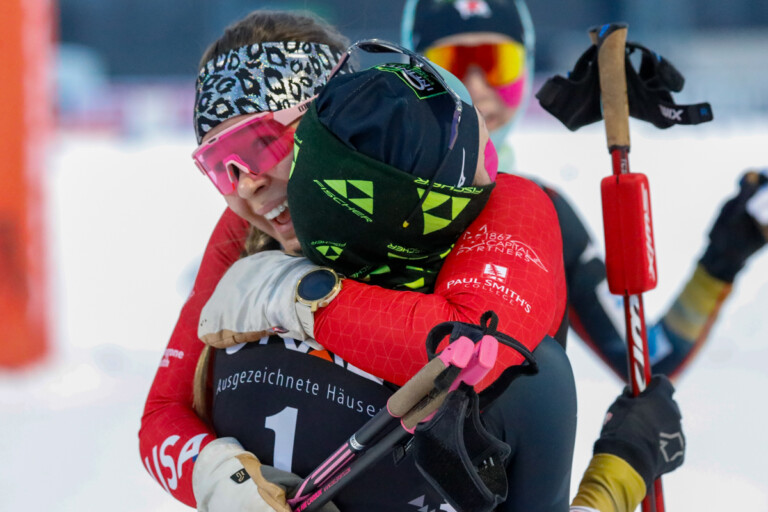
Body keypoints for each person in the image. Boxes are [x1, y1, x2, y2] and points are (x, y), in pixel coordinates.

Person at [139, 9, 683, 512]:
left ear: (338, 118)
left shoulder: (507, 203)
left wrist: (296, 298)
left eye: (261, 146)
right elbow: (161, 413)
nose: (246, 185)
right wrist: (218, 478)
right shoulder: (246, 229)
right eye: (218, 165)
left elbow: (474, 353)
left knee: (539, 386)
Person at [400, 0, 768, 380]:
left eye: (498, 62)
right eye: (453, 64)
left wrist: (721, 259)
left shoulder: (544, 214)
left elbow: (645, 361)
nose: (476, 86)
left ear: (525, 68)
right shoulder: (376, 187)